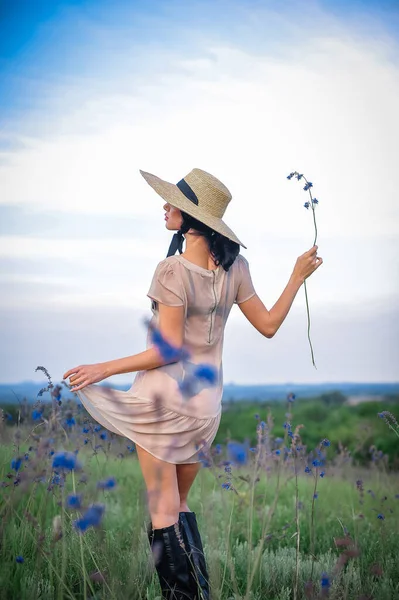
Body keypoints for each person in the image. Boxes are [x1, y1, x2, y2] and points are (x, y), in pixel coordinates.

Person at [63, 167, 323, 599]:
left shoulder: (171, 270)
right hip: (205, 411)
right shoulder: (235, 268)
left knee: (163, 509)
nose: (166, 207)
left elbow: (166, 351)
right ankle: (199, 593)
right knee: (179, 505)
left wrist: (103, 368)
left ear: (192, 219)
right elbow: (270, 325)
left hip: (164, 402)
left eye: (175, 204)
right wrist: (297, 275)